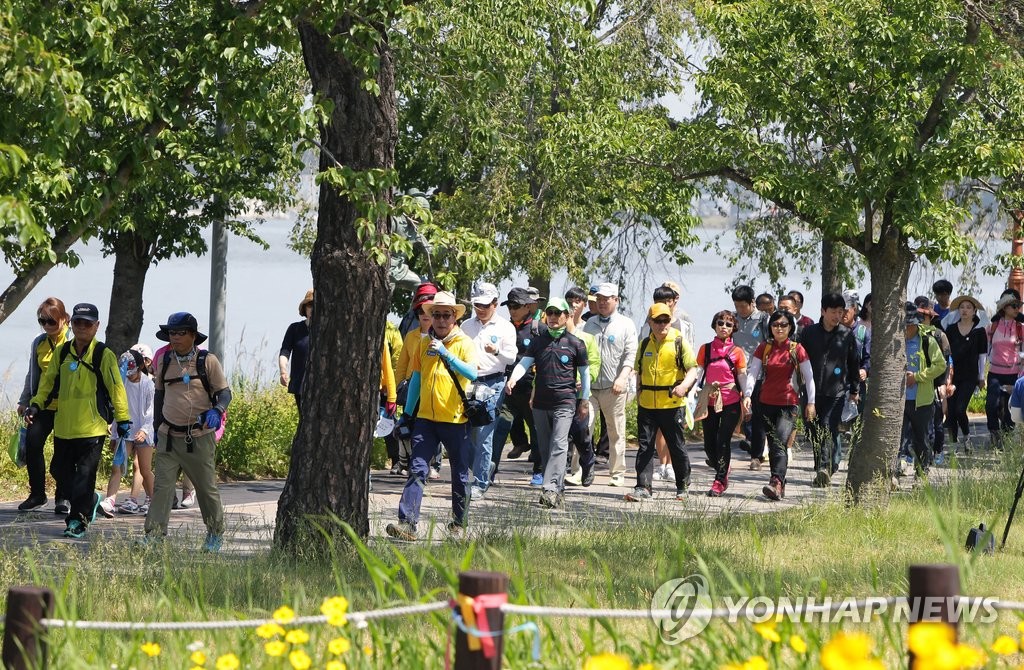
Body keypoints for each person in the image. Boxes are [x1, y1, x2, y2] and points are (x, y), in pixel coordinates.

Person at [25, 303, 130, 539]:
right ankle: (90, 500)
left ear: (96, 326)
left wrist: (123, 419)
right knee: (58, 469)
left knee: (84, 475)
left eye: (87, 323)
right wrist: (36, 404)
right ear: (72, 324)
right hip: (64, 427)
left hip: (92, 428)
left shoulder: (104, 354)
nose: (82, 327)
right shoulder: (62, 352)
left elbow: (116, 389)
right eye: (78, 322)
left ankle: (77, 521)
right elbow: (47, 383)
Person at [386, 292, 478, 540]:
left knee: (459, 474)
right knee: (417, 469)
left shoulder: (464, 343)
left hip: (456, 420)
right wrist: (408, 413)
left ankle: (459, 524)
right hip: (426, 419)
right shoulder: (424, 343)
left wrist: (447, 355)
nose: (440, 320)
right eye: (435, 314)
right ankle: (408, 523)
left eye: (445, 315)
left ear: (455, 317)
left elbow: (472, 373)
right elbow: (416, 378)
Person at [142, 312, 232, 552]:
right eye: (172, 333)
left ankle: (215, 534)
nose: (176, 337)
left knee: (205, 488)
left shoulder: (207, 360)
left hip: (199, 437)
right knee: (162, 488)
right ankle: (154, 536)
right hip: (168, 437)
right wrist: (157, 428)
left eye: (182, 332)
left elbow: (225, 392)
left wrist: (218, 410)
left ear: (193, 335)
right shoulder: (165, 360)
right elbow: (160, 394)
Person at [506, 297, 590, 508]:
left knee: (559, 445)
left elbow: (585, 375)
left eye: (557, 313)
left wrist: (584, 400)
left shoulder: (575, 343)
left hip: (565, 402)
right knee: (544, 447)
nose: (552, 317)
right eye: (549, 313)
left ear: (567, 316)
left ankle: (549, 488)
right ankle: (557, 489)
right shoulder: (538, 341)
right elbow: (524, 363)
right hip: (541, 403)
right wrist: (514, 378)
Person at [625, 303, 698, 502]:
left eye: (665, 320)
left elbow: (693, 369)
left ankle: (683, 487)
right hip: (647, 405)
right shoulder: (644, 344)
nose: (661, 325)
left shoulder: (679, 342)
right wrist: (638, 394)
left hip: (672, 405)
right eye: (657, 321)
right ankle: (643, 487)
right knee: (645, 446)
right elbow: (638, 371)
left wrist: (683, 387)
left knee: (676, 446)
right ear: (650, 321)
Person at [744, 310, 815, 500]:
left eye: (784, 324)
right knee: (774, 443)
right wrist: (748, 394)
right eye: (775, 325)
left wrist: (811, 403)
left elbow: (809, 378)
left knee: (779, 442)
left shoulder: (796, 349)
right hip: (766, 402)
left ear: (791, 327)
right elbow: (753, 373)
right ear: (770, 327)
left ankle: (775, 480)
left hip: (788, 403)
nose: (779, 328)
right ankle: (779, 483)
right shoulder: (764, 348)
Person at [16, 297, 73, 513]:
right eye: (43, 321)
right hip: (42, 404)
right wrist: (24, 400)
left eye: (51, 321)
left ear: (63, 318)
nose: (47, 326)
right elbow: (34, 373)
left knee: (63, 453)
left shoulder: (72, 340)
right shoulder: (39, 343)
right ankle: (38, 494)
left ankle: (63, 498)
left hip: (67, 406)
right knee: (32, 444)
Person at [461, 282, 517, 498]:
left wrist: (496, 351)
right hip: (471, 383)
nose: (480, 309)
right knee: (470, 433)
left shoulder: (505, 327)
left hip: (493, 383)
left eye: (485, 305)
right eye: (477, 305)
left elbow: (511, 357)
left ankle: (480, 482)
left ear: (495, 304)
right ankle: (483, 468)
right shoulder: (466, 326)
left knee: (485, 434)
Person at [799, 292, 860, 487]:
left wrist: (855, 390)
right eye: (833, 311)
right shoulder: (808, 333)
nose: (837, 316)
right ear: (823, 311)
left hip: (837, 391)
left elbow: (853, 362)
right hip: (811, 393)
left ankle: (823, 468)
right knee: (815, 431)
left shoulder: (847, 334)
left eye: (840, 311)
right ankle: (825, 466)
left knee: (826, 426)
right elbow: (799, 360)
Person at [583, 282, 638, 487]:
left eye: (607, 299)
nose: (603, 302)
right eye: (599, 299)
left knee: (615, 431)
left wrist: (623, 378)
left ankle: (616, 473)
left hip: (614, 387)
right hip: (590, 387)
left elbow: (630, 355)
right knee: (583, 429)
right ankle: (579, 470)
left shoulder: (626, 324)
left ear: (617, 300)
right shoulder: (589, 324)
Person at [694, 310, 748, 497]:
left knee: (722, 440)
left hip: (730, 400)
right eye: (720, 323)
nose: (724, 327)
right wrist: (692, 389)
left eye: (728, 324)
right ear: (714, 325)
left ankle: (719, 480)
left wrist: (747, 395)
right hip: (709, 399)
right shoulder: (705, 349)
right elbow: (699, 371)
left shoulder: (737, 352)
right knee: (709, 444)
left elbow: (742, 375)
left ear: (734, 328)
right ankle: (722, 469)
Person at [100, 349, 155, 516]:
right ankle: (110, 500)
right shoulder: (122, 383)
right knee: (117, 466)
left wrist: (145, 430)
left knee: (144, 469)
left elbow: (151, 411)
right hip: (125, 431)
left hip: (144, 431)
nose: (129, 376)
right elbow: (119, 409)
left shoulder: (148, 385)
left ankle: (154, 500)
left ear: (139, 367)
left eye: (132, 372)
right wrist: (114, 434)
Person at [396, 288, 444, 479]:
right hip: (413, 388)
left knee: (434, 426)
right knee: (409, 426)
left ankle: (434, 464)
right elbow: (402, 364)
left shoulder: (442, 337)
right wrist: (400, 386)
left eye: (429, 311)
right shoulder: (411, 336)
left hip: (434, 388)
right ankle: (408, 462)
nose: (425, 316)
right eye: (421, 312)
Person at [901, 303, 947, 476]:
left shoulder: (927, 340)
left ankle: (922, 472)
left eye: (909, 325)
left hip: (922, 399)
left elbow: (940, 365)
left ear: (915, 324)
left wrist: (918, 376)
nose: (906, 328)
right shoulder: (895, 341)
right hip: (900, 400)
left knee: (921, 439)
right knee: (900, 438)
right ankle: (898, 469)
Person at [563, 287, 600, 487]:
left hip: (580, 395)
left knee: (580, 435)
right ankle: (557, 476)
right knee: (558, 437)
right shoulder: (553, 335)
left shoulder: (587, 336)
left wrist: (586, 380)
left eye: (578, 301)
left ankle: (588, 462)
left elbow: (594, 364)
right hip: (559, 395)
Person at [943, 295, 987, 454]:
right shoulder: (951, 329)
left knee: (961, 409)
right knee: (952, 411)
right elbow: (947, 355)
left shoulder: (980, 331)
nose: (965, 310)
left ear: (974, 311)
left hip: (970, 376)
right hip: (953, 375)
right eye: (962, 307)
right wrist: (946, 376)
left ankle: (967, 437)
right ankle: (954, 444)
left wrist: (982, 377)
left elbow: (982, 356)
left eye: (969, 307)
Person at [731, 285, 769, 469]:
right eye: (737, 306)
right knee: (738, 412)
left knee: (758, 416)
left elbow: (770, 343)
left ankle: (756, 455)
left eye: (743, 306)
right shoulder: (731, 319)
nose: (740, 310)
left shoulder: (763, 319)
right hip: (736, 373)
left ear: (752, 302)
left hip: (758, 373)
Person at [985, 290, 1024, 447]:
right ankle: (994, 434)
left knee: (1010, 408)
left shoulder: (1021, 328)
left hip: (1014, 373)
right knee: (991, 405)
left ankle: (1005, 439)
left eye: (1019, 306)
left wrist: (1021, 376)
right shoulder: (992, 327)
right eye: (1014, 306)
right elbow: (983, 349)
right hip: (995, 372)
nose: (1017, 309)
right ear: (1005, 308)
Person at [279, 289, 312, 413]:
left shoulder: (326, 331)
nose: (312, 308)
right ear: (305, 308)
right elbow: (285, 352)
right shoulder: (295, 328)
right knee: (304, 419)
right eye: (310, 305)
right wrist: (283, 371)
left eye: (316, 304)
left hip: (322, 386)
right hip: (300, 384)